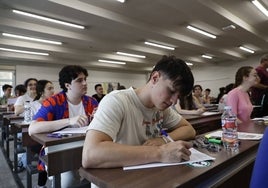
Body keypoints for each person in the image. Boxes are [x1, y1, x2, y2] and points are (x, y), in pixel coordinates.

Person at [82, 55, 196, 169]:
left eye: (178, 96)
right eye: (171, 91)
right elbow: (90, 155)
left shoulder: (161, 107)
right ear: (155, 78)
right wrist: (160, 153)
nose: (174, 101)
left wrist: (163, 139)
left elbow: (189, 129)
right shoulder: (117, 101)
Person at [29, 65, 98, 187]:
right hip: (59, 151)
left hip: (85, 148)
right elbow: (32, 128)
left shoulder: (91, 102)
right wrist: (69, 121)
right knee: (68, 180)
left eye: (85, 79)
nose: (85, 83)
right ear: (67, 85)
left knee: (100, 176)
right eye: (79, 80)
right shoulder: (54, 101)